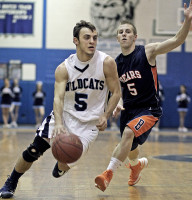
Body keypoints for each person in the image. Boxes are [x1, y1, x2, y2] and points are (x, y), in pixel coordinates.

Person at [0, 20, 121, 198]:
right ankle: (11, 181)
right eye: (87, 37)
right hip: (65, 115)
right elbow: (58, 98)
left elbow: (116, 92)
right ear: (76, 41)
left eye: (95, 38)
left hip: (90, 125)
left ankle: (61, 166)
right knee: (34, 149)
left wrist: (106, 114)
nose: (92, 41)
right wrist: (58, 122)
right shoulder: (64, 68)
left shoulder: (106, 62)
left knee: (65, 161)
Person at [95, 0, 192, 192]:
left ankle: (107, 174)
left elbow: (176, 41)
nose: (124, 34)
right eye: (121, 32)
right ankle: (136, 165)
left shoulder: (147, 51)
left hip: (148, 109)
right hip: (129, 110)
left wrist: (187, 21)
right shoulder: (116, 64)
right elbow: (118, 90)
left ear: (135, 37)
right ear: (117, 38)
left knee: (128, 133)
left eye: (127, 31)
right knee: (131, 147)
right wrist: (119, 102)